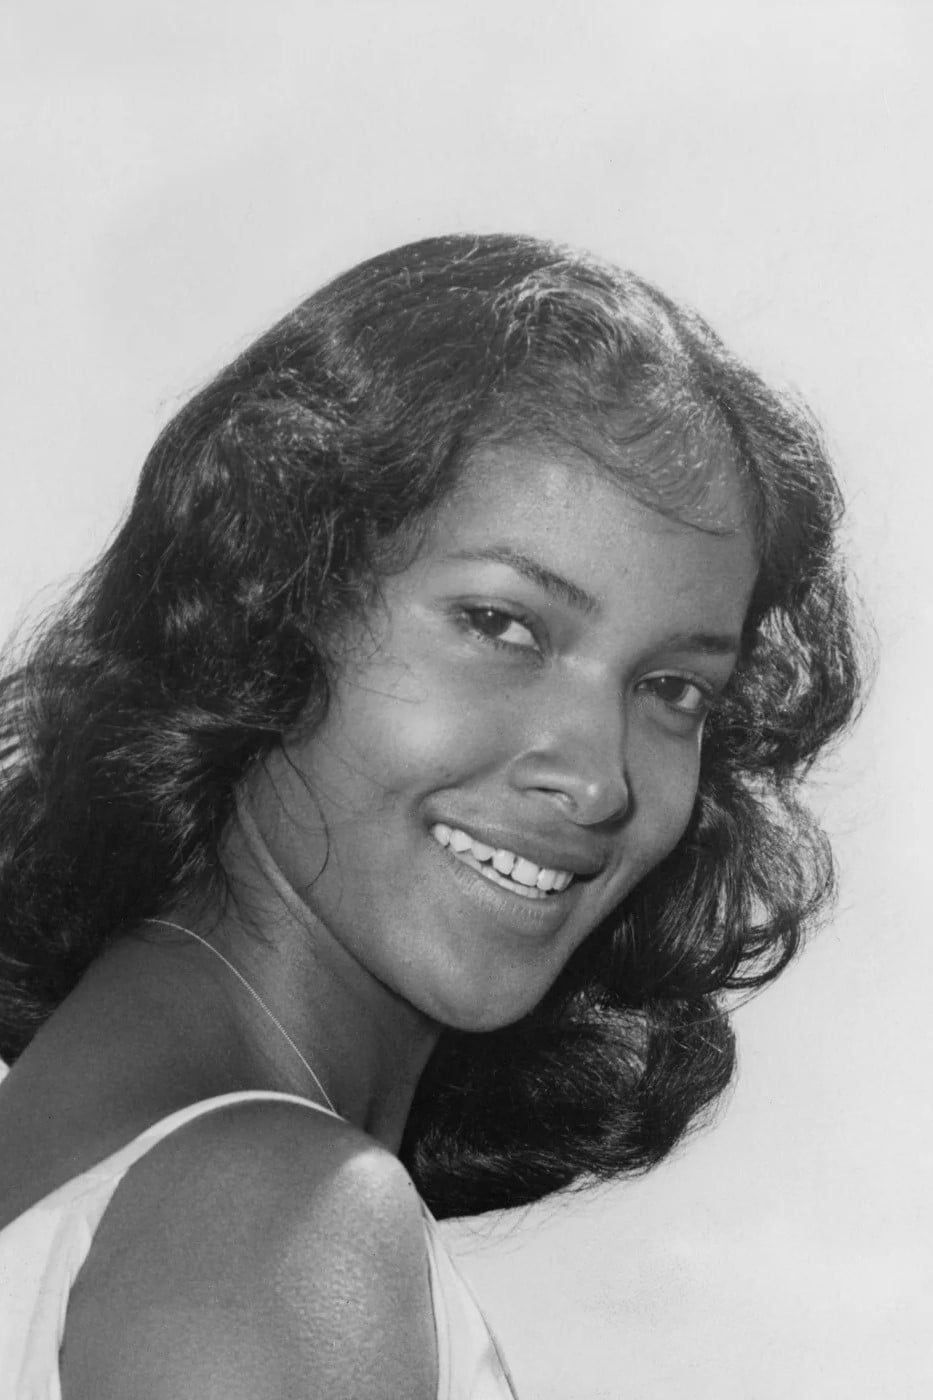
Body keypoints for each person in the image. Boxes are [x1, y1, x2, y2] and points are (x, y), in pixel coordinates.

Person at [0, 234, 861, 1399]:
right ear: (272, 598)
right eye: (501, 625)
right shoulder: (276, 1221)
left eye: (673, 687)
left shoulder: (93, 1142)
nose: (599, 779)